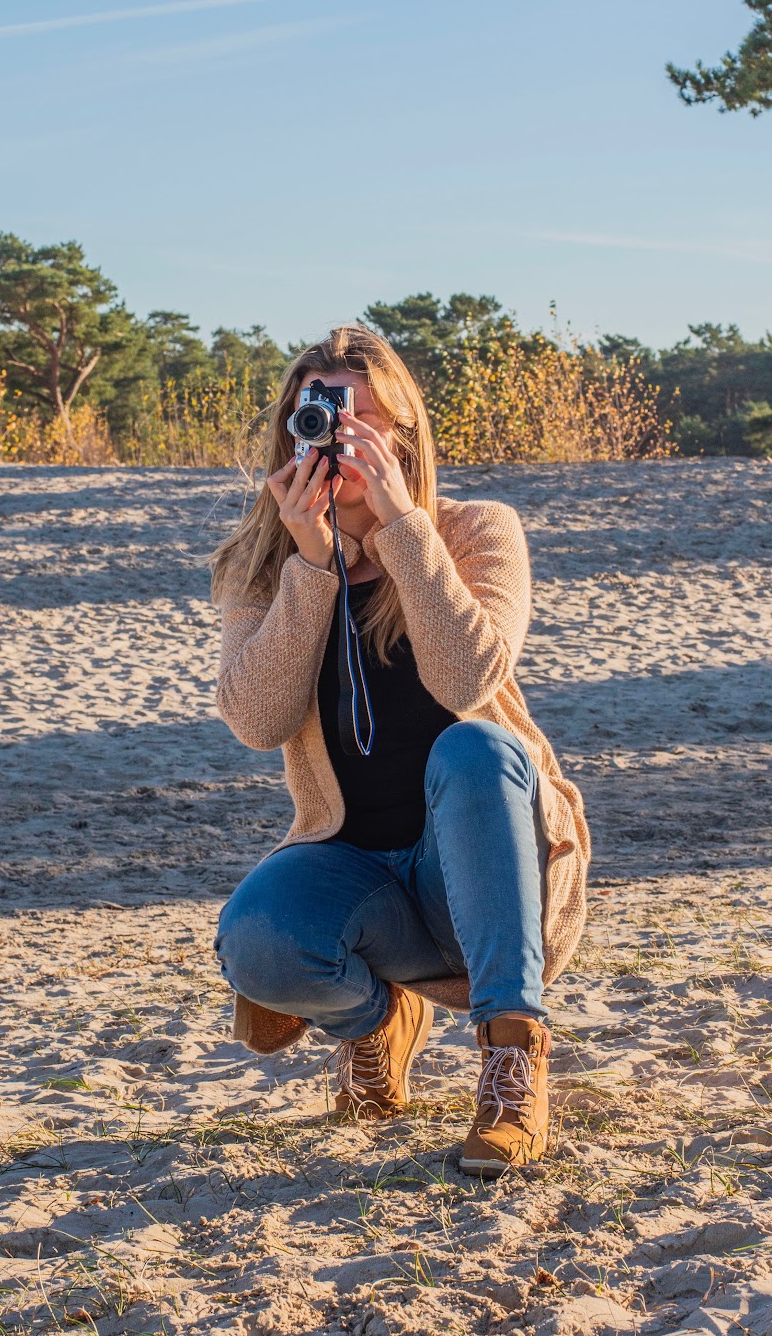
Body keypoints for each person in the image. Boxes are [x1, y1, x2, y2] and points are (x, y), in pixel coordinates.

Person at [211, 325, 590, 1172]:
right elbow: (256, 721)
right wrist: (312, 562)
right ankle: (374, 1022)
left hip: (492, 874)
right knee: (258, 943)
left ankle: (510, 1063)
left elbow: (467, 680)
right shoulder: (264, 563)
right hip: (361, 870)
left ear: (403, 432)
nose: (336, 433)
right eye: (317, 413)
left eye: (359, 417)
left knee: (473, 749)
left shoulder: (473, 530)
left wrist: (400, 526)